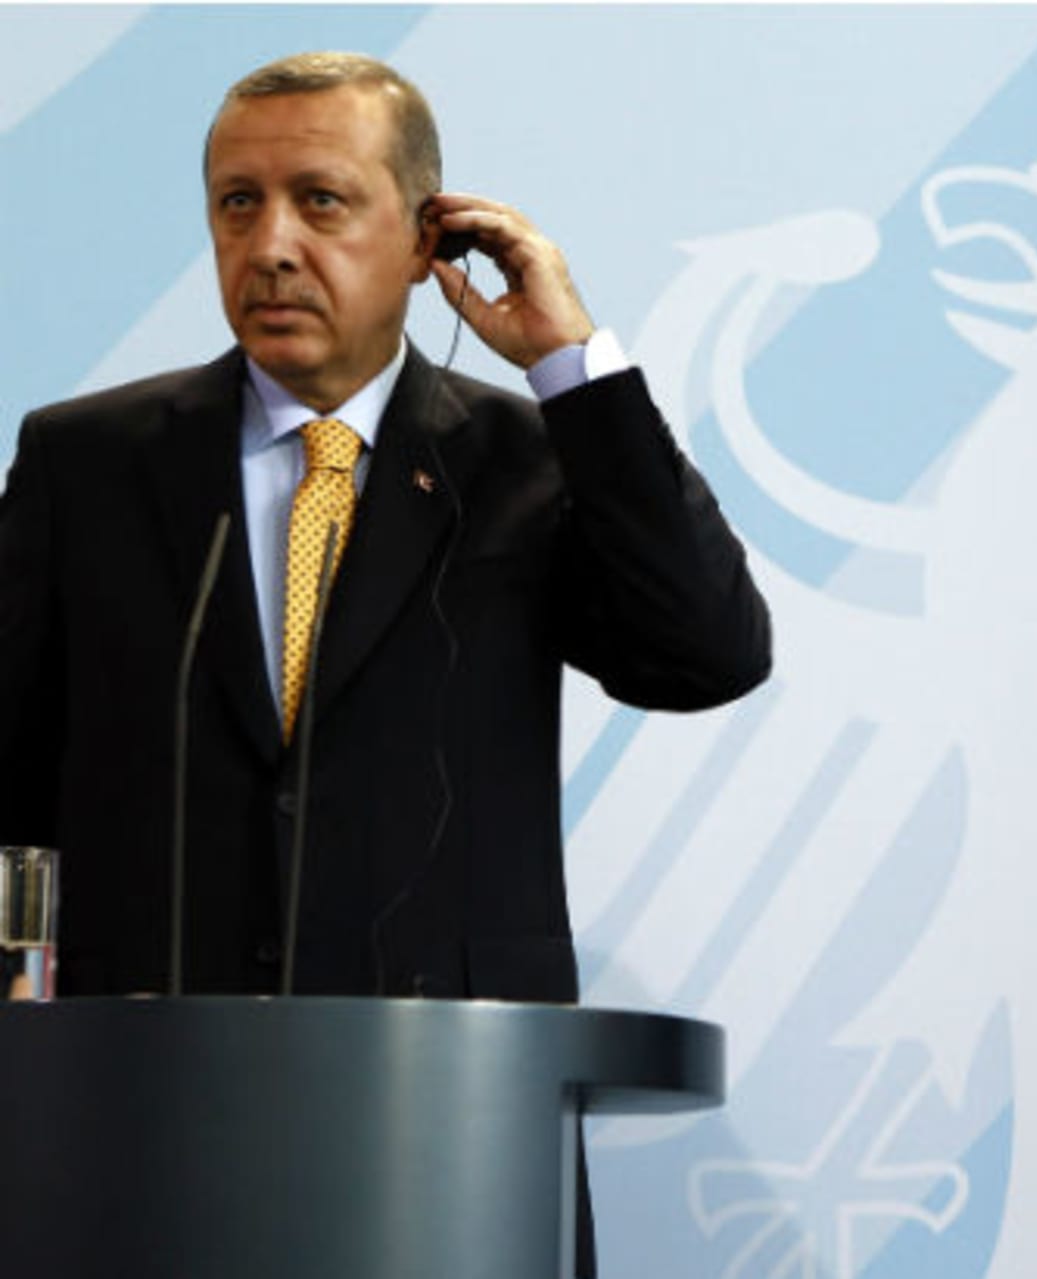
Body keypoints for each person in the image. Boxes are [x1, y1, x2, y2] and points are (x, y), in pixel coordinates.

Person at [0, 49, 770, 1268]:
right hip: (139, 1126)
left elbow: (708, 651)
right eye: (237, 203)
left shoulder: (530, 464)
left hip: (450, 1146)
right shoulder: (88, 464)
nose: (271, 246)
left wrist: (570, 364)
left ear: (427, 241)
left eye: (322, 199)